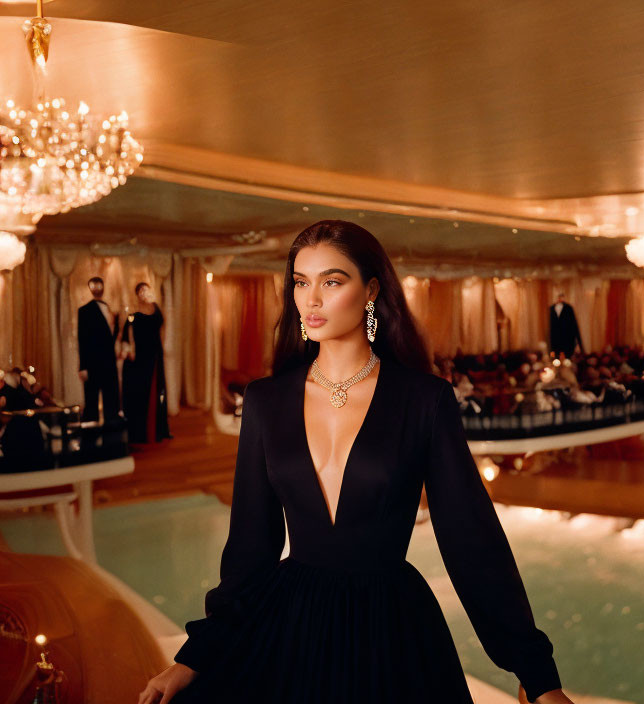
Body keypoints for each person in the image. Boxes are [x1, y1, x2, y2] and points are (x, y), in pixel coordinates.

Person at [138, 220, 570, 704]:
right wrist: (194, 655)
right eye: (301, 282)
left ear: (370, 291)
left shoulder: (424, 400)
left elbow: (472, 540)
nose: (311, 299)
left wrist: (538, 675)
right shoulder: (266, 400)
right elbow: (249, 548)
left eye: (332, 281)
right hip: (289, 625)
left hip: (393, 631)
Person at [121, 282, 172, 444]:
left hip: (156, 354)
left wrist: (163, 347)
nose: (144, 293)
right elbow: (126, 335)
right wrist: (130, 351)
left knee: (158, 392)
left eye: (146, 290)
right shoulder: (133, 313)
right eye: (140, 291)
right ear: (137, 294)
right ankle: (141, 432)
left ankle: (159, 429)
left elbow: (162, 329)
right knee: (142, 393)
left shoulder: (156, 308)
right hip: (141, 357)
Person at [77, 276, 121, 424]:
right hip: (92, 363)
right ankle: (91, 436)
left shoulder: (110, 309)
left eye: (99, 285)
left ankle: (112, 431)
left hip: (109, 361)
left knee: (111, 397)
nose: (96, 288)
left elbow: (113, 336)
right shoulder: (84, 311)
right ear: (90, 288)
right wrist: (82, 366)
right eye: (93, 286)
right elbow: (82, 339)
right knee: (91, 399)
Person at [549, 292, 585, 359]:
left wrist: (577, 342)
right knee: (555, 359)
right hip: (554, 339)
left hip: (567, 338)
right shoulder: (551, 308)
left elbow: (574, 324)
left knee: (567, 358)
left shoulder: (569, 308)